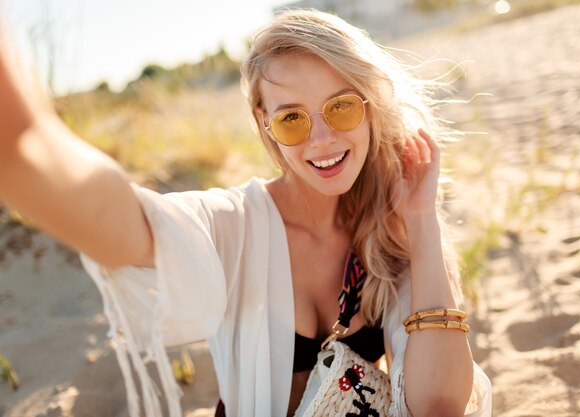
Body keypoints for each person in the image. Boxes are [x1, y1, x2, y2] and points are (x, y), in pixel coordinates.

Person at [0, 9, 491, 417]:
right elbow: (128, 227)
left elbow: (438, 403)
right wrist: (27, 145)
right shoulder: (234, 223)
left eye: (341, 108)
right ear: (265, 123)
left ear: (369, 107)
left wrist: (423, 220)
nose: (321, 139)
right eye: (292, 118)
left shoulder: (393, 229)